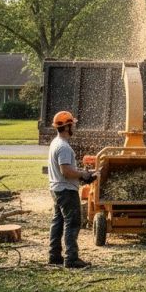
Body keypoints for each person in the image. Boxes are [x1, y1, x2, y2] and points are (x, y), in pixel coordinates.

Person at [47, 110, 96, 269]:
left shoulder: (55, 143)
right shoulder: (64, 147)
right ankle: (71, 259)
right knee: (73, 223)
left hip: (56, 188)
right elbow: (66, 172)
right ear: (67, 127)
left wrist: (83, 175)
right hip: (66, 190)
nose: (74, 126)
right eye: (72, 124)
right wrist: (84, 175)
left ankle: (54, 256)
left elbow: (66, 171)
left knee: (58, 222)